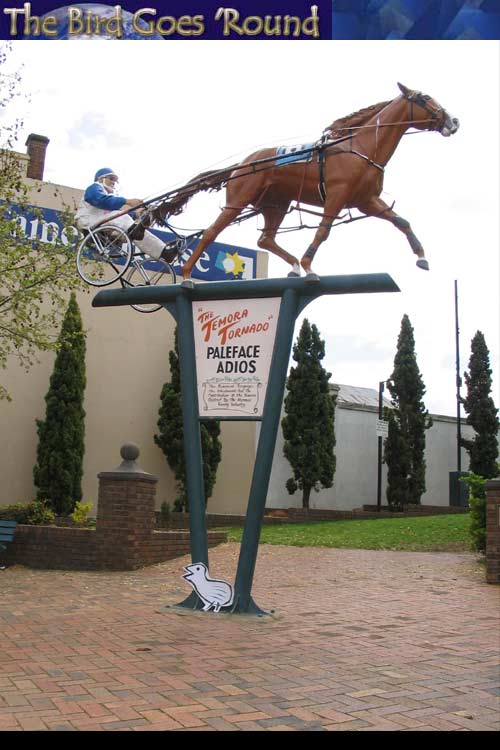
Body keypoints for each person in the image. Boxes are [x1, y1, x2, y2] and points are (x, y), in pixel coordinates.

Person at [74, 168, 177, 263]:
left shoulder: (107, 196)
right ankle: (133, 231)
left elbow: (112, 209)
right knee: (120, 216)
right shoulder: (94, 187)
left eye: (115, 180)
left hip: (99, 222)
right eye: (111, 178)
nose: (113, 182)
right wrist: (127, 201)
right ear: (100, 179)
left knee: (136, 229)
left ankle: (163, 252)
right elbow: (101, 201)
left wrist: (136, 214)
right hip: (87, 221)